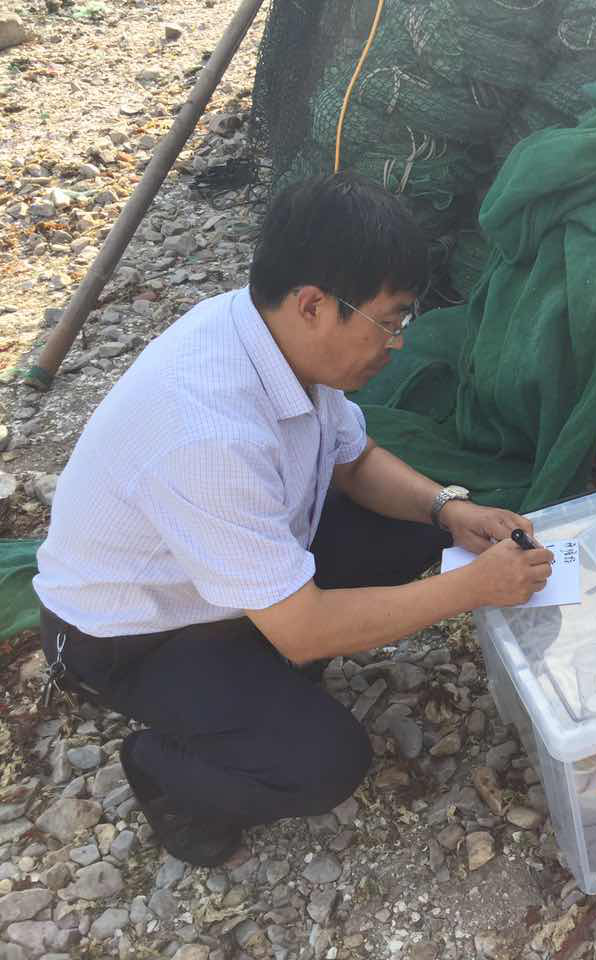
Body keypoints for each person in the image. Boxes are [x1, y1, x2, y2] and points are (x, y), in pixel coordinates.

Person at [33, 173, 552, 865]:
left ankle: (262, 659)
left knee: (418, 525)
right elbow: (304, 632)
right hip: (136, 636)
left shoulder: (271, 335)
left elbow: (355, 460)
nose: (397, 343)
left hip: (228, 580)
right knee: (324, 763)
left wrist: (450, 509)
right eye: (390, 322)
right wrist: (473, 588)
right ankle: (161, 769)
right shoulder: (207, 431)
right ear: (314, 305)